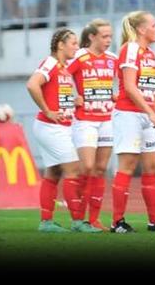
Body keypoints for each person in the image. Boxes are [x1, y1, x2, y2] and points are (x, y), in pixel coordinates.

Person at [26, 28, 102, 233]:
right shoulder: (50, 63)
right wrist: (48, 111)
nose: (77, 48)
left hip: (58, 127)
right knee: (74, 170)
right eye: (74, 44)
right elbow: (33, 85)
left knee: (53, 173)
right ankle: (78, 222)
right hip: (51, 127)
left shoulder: (64, 67)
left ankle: (46, 222)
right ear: (61, 45)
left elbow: (56, 93)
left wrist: (73, 101)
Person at [110, 11, 155, 233]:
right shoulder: (129, 49)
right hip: (128, 114)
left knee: (152, 167)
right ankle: (117, 221)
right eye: (154, 25)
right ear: (141, 29)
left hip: (147, 115)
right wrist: (151, 113)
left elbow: (151, 89)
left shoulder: (151, 54)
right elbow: (129, 87)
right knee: (127, 166)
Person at [65, 19, 118, 231]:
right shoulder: (79, 56)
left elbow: (123, 83)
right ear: (92, 37)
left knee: (101, 168)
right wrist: (70, 95)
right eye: (104, 36)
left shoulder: (112, 59)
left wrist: (116, 95)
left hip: (107, 119)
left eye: (110, 36)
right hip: (85, 120)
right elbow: (61, 75)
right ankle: (77, 216)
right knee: (86, 167)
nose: (108, 40)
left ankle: (93, 219)